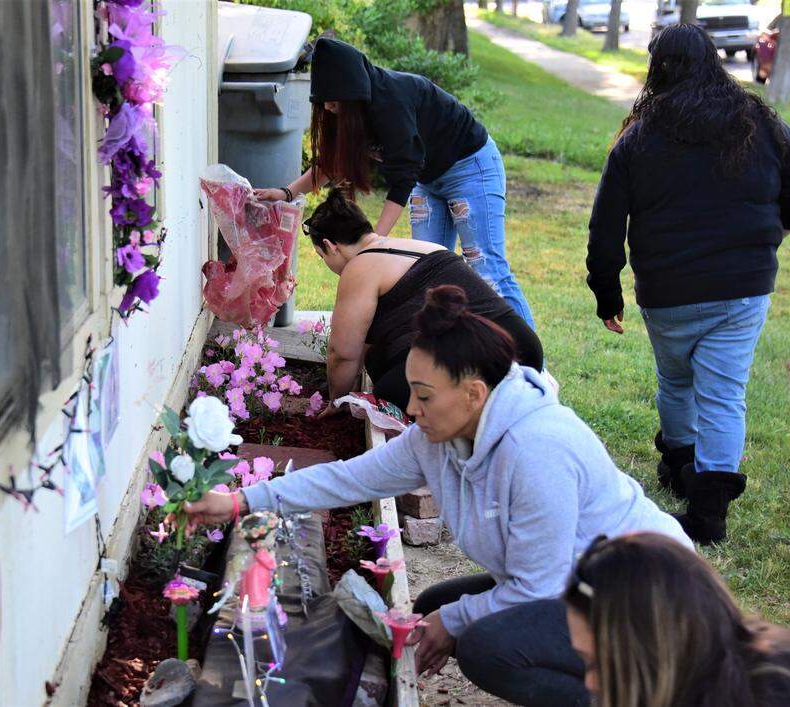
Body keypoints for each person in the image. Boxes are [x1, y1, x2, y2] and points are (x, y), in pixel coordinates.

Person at [183, 286, 691, 707]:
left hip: (642, 598)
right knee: (431, 605)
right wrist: (241, 501)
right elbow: (351, 478)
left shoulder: (537, 450)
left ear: (473, 393)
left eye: (424, 395)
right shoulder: (439, 437)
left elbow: (540, 587)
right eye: (411, 390)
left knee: (487, 648)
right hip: (570, 578)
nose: (411, 407)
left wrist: (455, 621)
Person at [585, 24, 790, 545]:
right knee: (724, 394)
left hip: (669, 292)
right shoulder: (759, 120)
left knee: (676, 381)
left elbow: (606, 227)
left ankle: (679, 463)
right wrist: (770, 239)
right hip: (744, 290)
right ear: (713, 61)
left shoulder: (636, 136)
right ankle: (707, 510)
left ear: (657, 70)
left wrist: (608, 292)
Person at [254, 37, 535, 327]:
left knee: (487, 269)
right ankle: (451, 359)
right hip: (428, 180)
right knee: (429, 275)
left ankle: (530, 365)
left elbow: (403, 177)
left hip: (470, 168)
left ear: (352, 90)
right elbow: (332, 160)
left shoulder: (392, 101)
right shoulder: (346, 108)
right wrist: (287, 192)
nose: (328, 107)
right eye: (323, 100)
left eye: (334, 100)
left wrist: (373, 246)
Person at [303, 188, 543, 412]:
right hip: (522, 345)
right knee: (378, 357)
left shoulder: (358, 266)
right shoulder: (422, 246)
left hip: (475, 356)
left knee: (390, 389)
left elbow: (343, 352)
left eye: (320, 256)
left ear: (330, 246)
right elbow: (363, 345)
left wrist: (336, 404)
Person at [564, 533, 790, 707]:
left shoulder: (766, 694)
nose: (590, 681)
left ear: (652, 647)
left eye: (598, 663)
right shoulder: (715, 665)